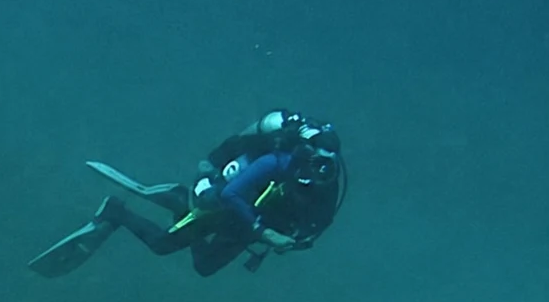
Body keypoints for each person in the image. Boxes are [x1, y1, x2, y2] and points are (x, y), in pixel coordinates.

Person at [28, 110, 346, 278]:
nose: (313, 176)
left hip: (250, 223)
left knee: (205, 267)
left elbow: (316, 227)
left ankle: (181, 203)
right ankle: (116, 211)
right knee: (163, 245)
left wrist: (292, 241)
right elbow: (233, 193)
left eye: (324, 171)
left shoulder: (328, 193)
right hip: (237, 205)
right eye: (311, 165)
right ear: (304, 155)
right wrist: (266, 233)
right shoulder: (280, 161)